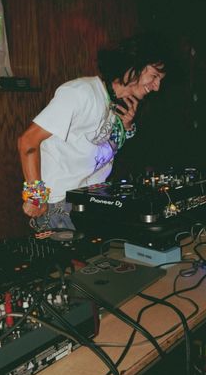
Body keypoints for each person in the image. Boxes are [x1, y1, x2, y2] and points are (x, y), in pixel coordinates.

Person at [16, 33, 169, 233]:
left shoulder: (118, 103)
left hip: (91, 197)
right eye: (154, 76)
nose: (157, 87)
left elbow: (102, 147)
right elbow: (28, 141)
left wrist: (126, 127)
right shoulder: (81, 93)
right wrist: (36, 197)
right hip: (60, 202)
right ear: (134, 66)